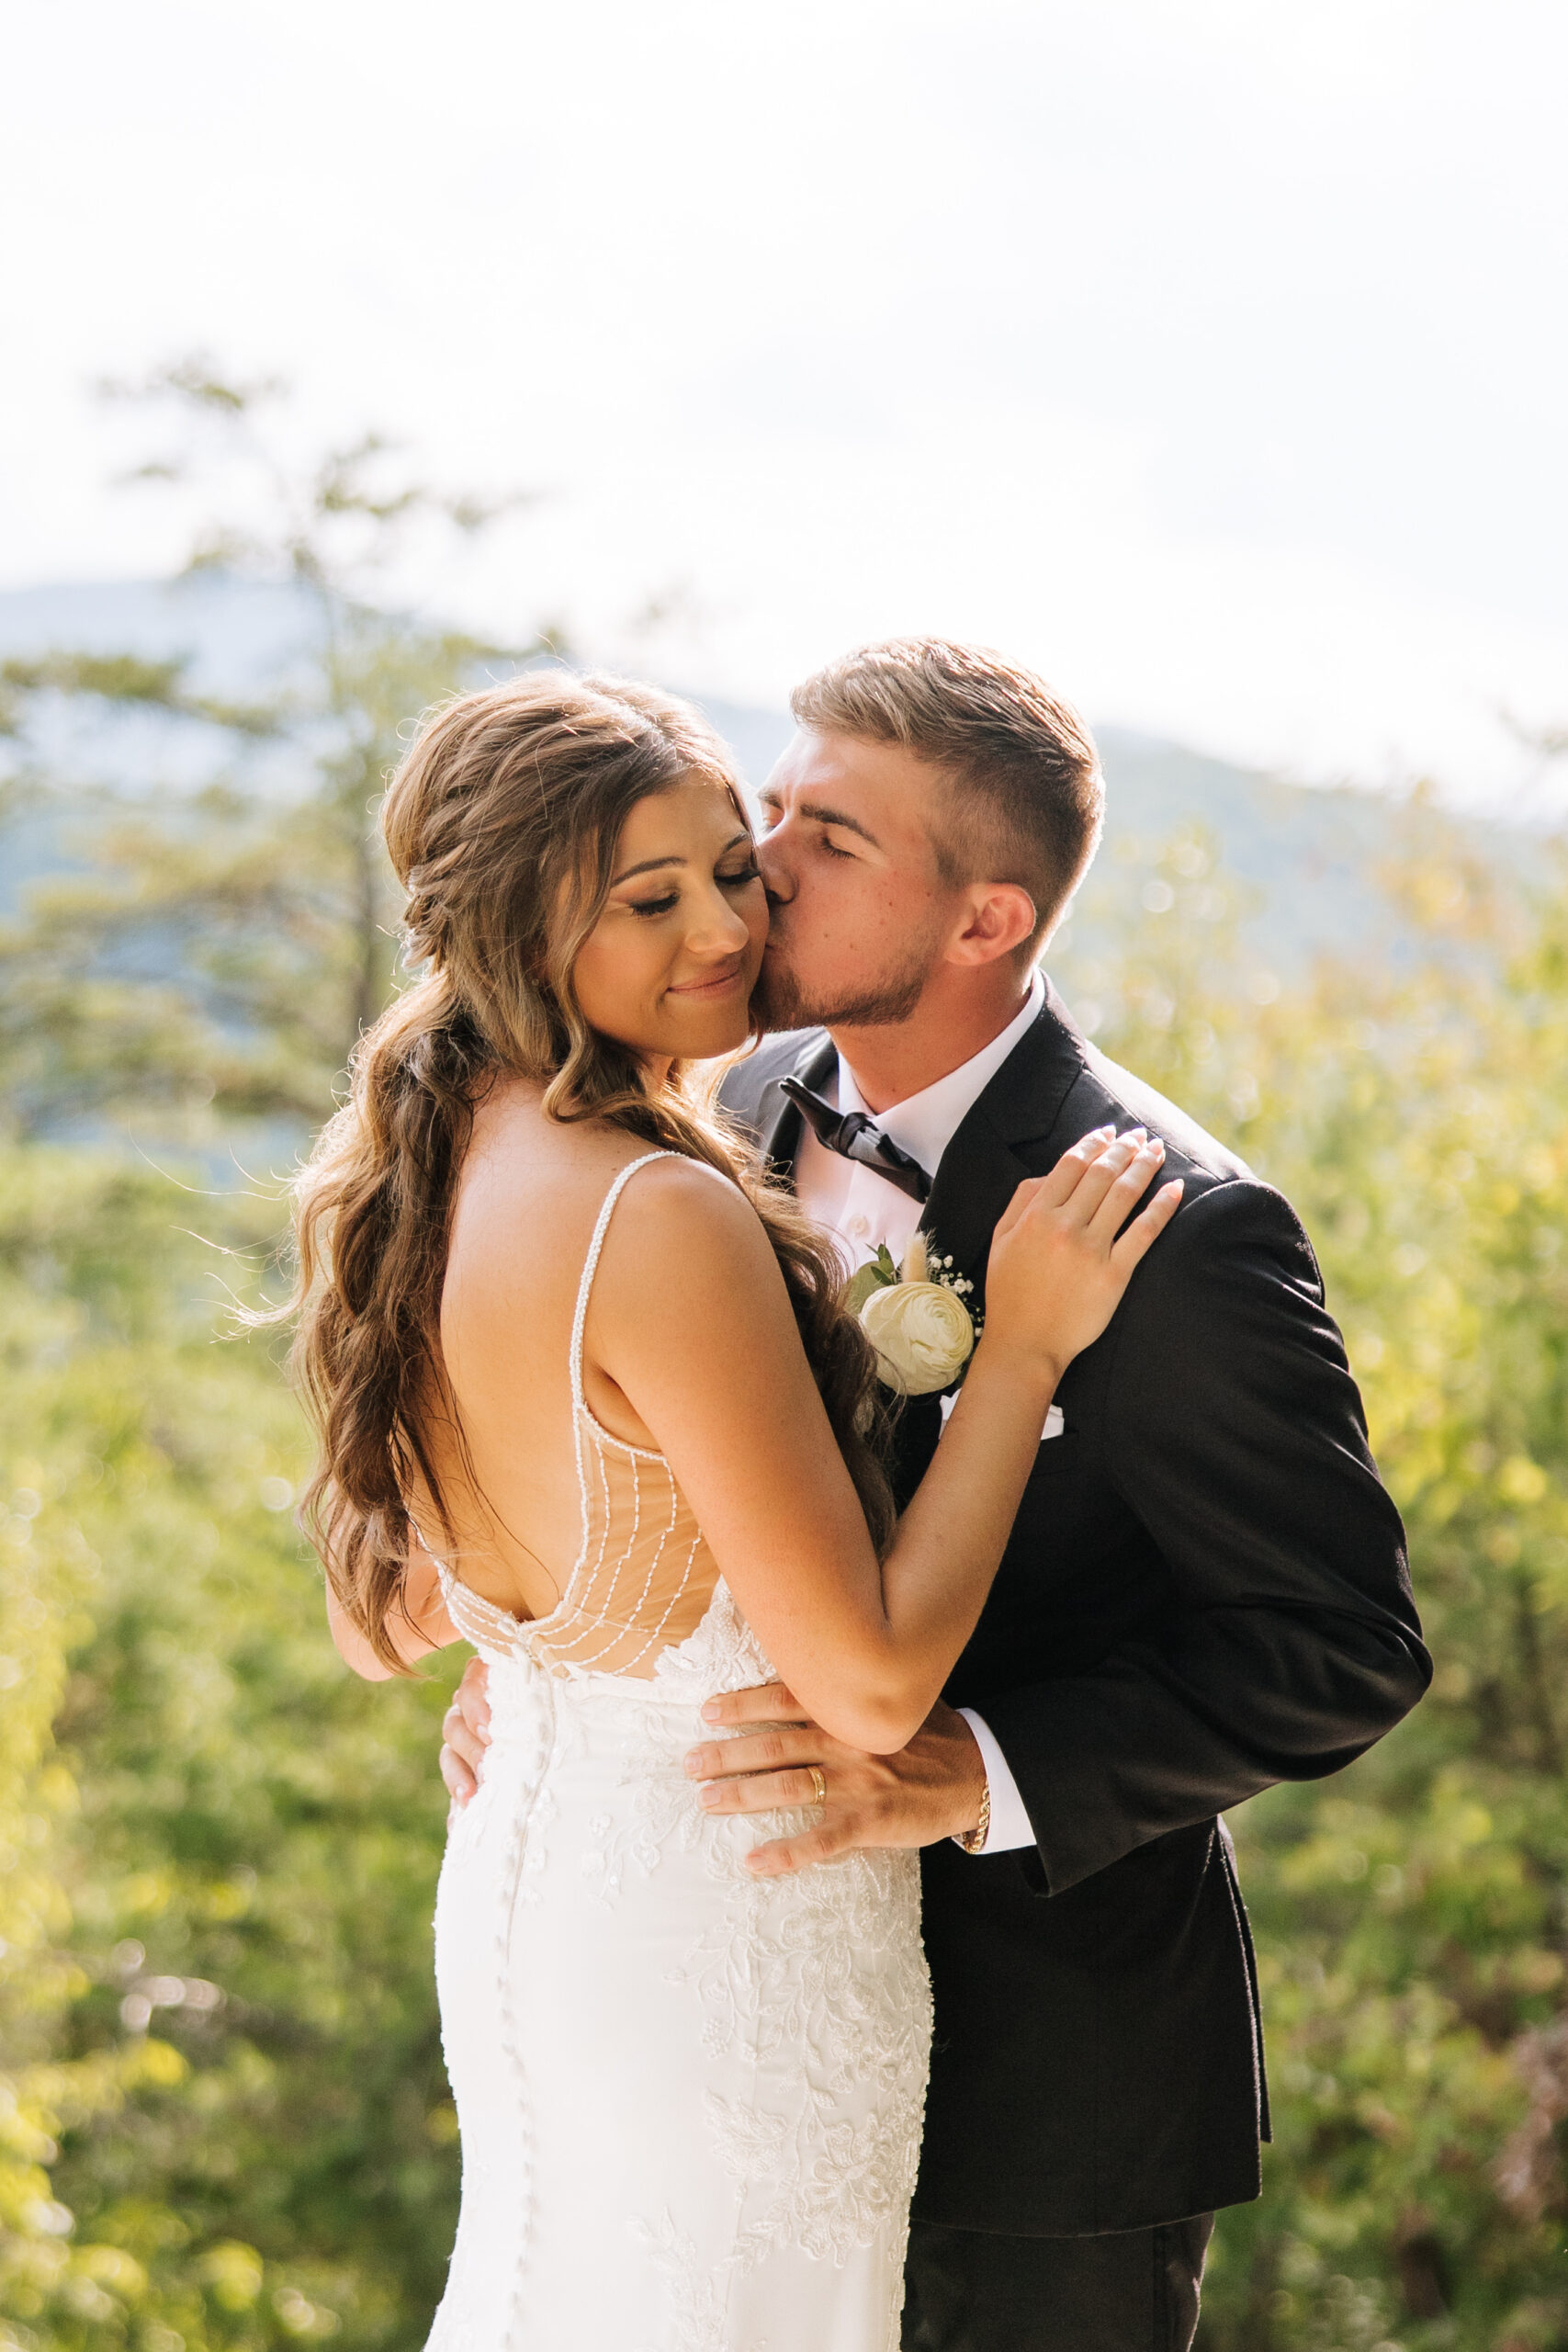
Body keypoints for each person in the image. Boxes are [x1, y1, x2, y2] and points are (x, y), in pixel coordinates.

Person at [442, 639, 1432, 2351]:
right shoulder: (719, 1115)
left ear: (984, 923)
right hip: (733, 2018)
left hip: (1046, 2103)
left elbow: (1344, 1649)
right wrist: (551, 1652)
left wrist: (978, 1773)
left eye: (832, 843)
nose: (762, 877)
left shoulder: (1178, 1236)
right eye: (777, 812)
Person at [286, 668, 1182, 2352]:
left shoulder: (419, 1166)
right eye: (653, 897)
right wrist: (1023, 1344)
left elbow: (381, 1618)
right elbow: (866, 1689)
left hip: (546, 1897)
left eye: (733, 863)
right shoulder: (653, 1205)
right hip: (728, 1941)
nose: (730, 921)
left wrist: (545, 1661)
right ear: (513, 928)